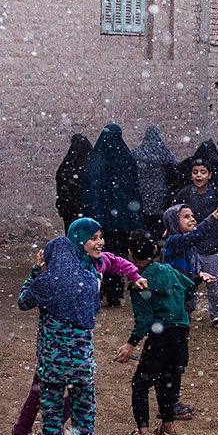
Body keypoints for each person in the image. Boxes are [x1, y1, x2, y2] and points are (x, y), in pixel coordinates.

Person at [0, 220, 145, 435]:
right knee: (55, 390)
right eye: (93, 238)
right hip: (55, 347)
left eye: (101, 236)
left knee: (65, 389)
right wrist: (37, 273)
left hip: (76, 345)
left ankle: (31, 434)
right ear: (79, 240)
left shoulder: (98, 262)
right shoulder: (60, 273)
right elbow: (25, 301)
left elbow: (117, 262)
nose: (99, 242)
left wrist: (134, 275)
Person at [112, 233, 203, 435]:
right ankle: (168, 425)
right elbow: (190, 289)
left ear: (131, 254)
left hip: (160, 335)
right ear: (154, 251)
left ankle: (142, 433)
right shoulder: (169, 270)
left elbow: (144, 321)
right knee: (167, 379)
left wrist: (130, 344)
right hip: (181, 332)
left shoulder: (139, 282)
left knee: (140, 383)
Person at [82, 124, 144, 306]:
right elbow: (133, 191)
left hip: (100, 221)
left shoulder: (95, 160)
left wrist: (93, 216)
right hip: (121, 222)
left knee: (98, 254)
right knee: (118, 256)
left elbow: (90, 192)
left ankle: (99, 290)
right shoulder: (126, 159)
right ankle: (115, 293)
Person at [177, 155, 218, 326]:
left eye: (203, 172)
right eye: (195, 172)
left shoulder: (217, 193)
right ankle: (186, 313)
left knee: (214, 283)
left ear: (210, 175)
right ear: (190, 175)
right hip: (191, 246)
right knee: (190, 282)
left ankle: (215, 313)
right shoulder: (185, 194)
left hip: (211, 245)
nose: (198, 176)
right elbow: (175, 212)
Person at [131, 126, 177, 239]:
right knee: (158, 228)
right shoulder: (162, 152)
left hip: (142, 194)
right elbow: (175, 163)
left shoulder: (137, 153)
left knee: (144, 227)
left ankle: (145, 246)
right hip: (159, 194)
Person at [54, 133, 91, 227]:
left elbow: (61, 191)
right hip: (88, 211)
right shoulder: (91, 167)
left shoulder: (65, 168)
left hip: (69, 212)